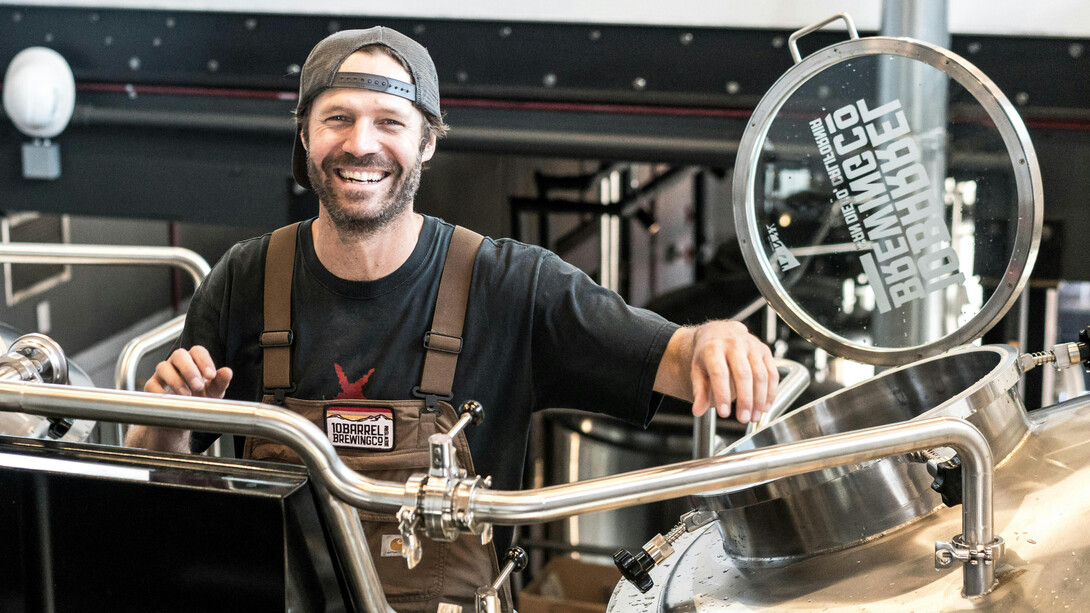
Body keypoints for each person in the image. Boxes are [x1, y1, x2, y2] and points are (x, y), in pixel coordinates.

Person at [125, 26, 778, 612]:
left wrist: (716, 341)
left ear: (427, 139)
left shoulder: (511, 285)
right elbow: (165, 485)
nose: (361, 144)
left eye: (389, 121)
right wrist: (166, 430)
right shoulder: (244, 278)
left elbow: (674, 357)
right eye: (338, 118)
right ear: (305, 134)